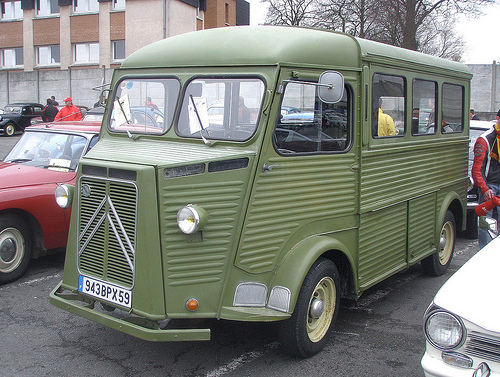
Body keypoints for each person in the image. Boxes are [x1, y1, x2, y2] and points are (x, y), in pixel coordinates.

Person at [472, 109, 500, 248]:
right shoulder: (484, 139)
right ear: (497, 119)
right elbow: (477, 169)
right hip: (490, 185)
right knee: (485, 222)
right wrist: (485, 188)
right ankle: (484, 251)